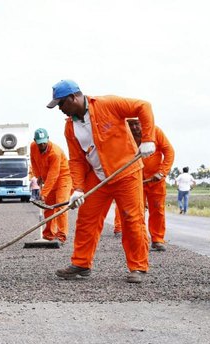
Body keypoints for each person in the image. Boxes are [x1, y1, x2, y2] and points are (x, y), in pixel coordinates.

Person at [46, 79, 156, 283]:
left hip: (127, 173)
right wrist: (78, 188)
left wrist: (148, 139)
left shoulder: (108, 104)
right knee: (86, 219)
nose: (60, 109)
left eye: (61, 104)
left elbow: (144, 106)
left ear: (73, 98)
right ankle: (81, 264)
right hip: (98, 177)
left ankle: (138, 267)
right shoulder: (70, 127)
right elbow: (77, 159)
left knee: (132, 220)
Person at [113, 119, 175, 251]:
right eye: (131, 124)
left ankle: (157, 239)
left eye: (137, 123)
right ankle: (139, 240)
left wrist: (162, 172)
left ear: (143, 122)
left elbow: (169, 151)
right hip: (135, 180)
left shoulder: (155, 131)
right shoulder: (124, 135)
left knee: (157, 209)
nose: (135, 127)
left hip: (156, 180)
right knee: (136, 211)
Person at [30, 128, 73, 244]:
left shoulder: (55, 152)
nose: (42, 144)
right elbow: (33, 161)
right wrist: (38, 175)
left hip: (63, 178)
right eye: (40, 143)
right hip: (48, 179)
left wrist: (43, 193)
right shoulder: (33, 147)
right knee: (48, 208)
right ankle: (49, 234)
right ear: (35, 141)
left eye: (44, 142)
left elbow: (54, 174)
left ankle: (61, 236)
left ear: (48, 139)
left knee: (60, 206)